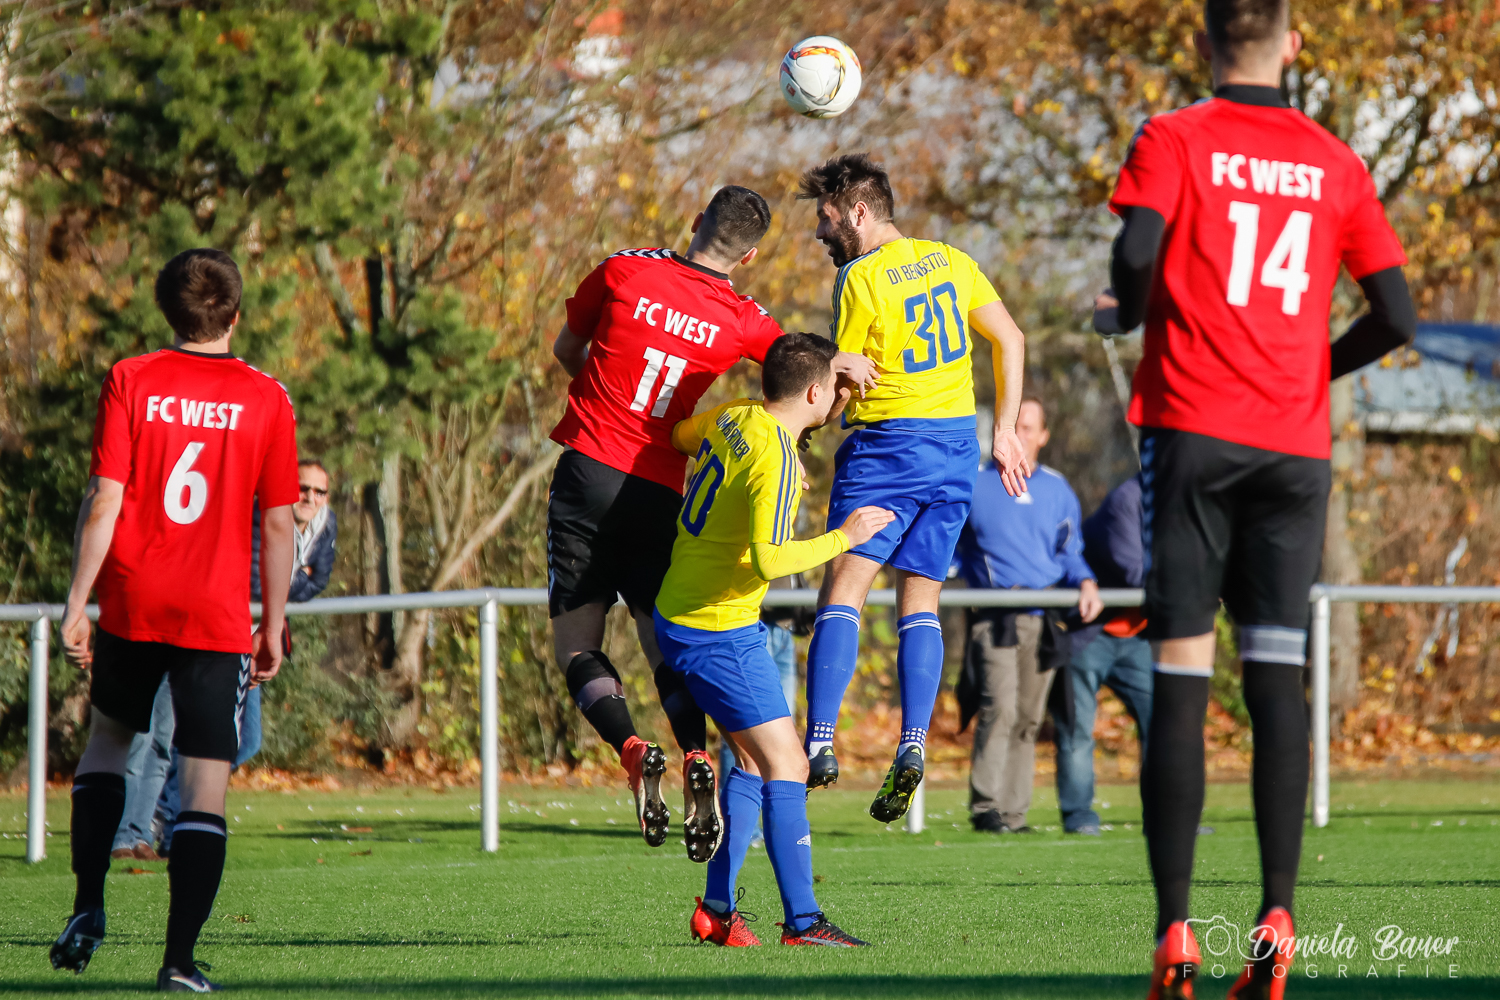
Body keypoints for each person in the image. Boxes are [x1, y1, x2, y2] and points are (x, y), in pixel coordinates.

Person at [1093, 2, 1415, 995]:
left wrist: (1124, 311)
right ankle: (1277, 915)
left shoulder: (1173, 137)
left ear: (1203, 44)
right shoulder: (1336, 161)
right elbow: (1398, 315)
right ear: (1294, 43)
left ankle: (1175, 932)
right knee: (1277, 674)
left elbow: (1136, 255)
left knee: (1183, 674)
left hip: (1193, 430)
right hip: (1293, 447)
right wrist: (1312, 370)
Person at [547, 185, 874, 861]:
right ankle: (694, 750)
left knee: (577, 645)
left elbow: (567, 348)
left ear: (695, 222)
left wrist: (597, 394)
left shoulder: (624, 269)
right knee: (659, 638)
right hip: (659, 487)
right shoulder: (741, 318)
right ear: (749, 256)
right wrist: (845, 367)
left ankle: (630, 746)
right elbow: (798, 371)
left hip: (587, 470)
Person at [50, 248, 299, 992]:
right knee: (204, 781)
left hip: (134, 599)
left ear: (165, 309)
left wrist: (77, 603)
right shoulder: (267, 398)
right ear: (236, 315)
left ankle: (88, 905)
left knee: (107, 743)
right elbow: (278, 523)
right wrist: (273, 623)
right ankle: (178, 962)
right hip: (214, 614)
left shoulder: (131, 378)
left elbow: (105, 498)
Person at [795, 153, 1031, 824]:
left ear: (858, 212)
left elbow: (848, 381)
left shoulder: (859, 276)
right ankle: (913, 743)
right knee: (921, 601)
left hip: (889, 447)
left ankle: (819, 743)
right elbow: (1010, 339)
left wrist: (803, 428)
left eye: (827, 218)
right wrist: (1005, 430)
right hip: (956, 450)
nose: (821, 232)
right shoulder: (951, 260)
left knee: (844, 587)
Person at [652, 333, 893, 947]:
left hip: (683, 613)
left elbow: (679, 436)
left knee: (754, 762)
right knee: (789, 763)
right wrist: (845, 537)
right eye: (835, 387)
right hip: (717, 631)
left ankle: (717, 910)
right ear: (814, 392)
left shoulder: (737, 416)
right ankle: (804, 922)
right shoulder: (778, 459)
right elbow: (769, 559)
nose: (838, 395)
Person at [155, 457, 338, 855]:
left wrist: (286, 584)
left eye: (319, 491)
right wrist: (295, 577)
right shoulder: (262, 515)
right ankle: (169, 819)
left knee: (245, 742)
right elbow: (257, 581)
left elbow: (318, 580)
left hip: (256, 638)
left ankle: (170, 809)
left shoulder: (326, 524)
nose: (310, 497)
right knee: (201, 737)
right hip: (223, 634)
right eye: (302, 488)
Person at [952, 398, 1102, 834]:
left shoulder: (1058, 489)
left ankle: (1014, 813)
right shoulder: (975, 482)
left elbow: (1070, 552)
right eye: (1014, 425)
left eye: (1029, 427)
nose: (1020, 434)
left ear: (1043, 436)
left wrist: (1086, 581)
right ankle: (986, 808)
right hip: (994, 618)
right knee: (999, 707)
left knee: (1029, 717)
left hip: (1043, 619)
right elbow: (952, 548)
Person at [1053, 474, 1152, 837]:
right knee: (1077, 728)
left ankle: (1170, 814)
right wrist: (1197, 585)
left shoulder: (1187, 498)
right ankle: (1078, 814)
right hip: (1089, 633)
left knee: (1165, 723)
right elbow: (1134, 570)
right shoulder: (1128, 499)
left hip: (1139, 635)